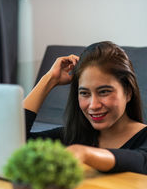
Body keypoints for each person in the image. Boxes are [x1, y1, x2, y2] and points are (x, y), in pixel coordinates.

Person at [24, 41, 147, 174]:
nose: (93, 105)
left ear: (128, 92)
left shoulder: (143, 137)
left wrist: (84, 153)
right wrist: (49, 80)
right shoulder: (72, 136)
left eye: (104, 91)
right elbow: (15, 143)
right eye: (84, 93)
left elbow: (141, 161)